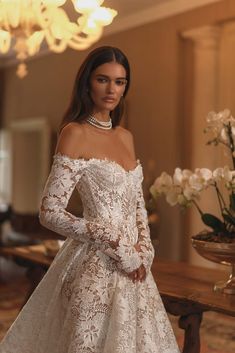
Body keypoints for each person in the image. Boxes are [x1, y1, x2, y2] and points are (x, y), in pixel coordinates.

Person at [0, 46, 180, 353]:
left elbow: (137, 202)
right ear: (87, 82)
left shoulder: (125, 137)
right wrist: (112, 239)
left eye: (120, 82)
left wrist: (145, 250)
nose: (112, 89)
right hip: (94, 267)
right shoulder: (75, 133)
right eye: (103, 80)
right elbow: (50, 211)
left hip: (135, 268)